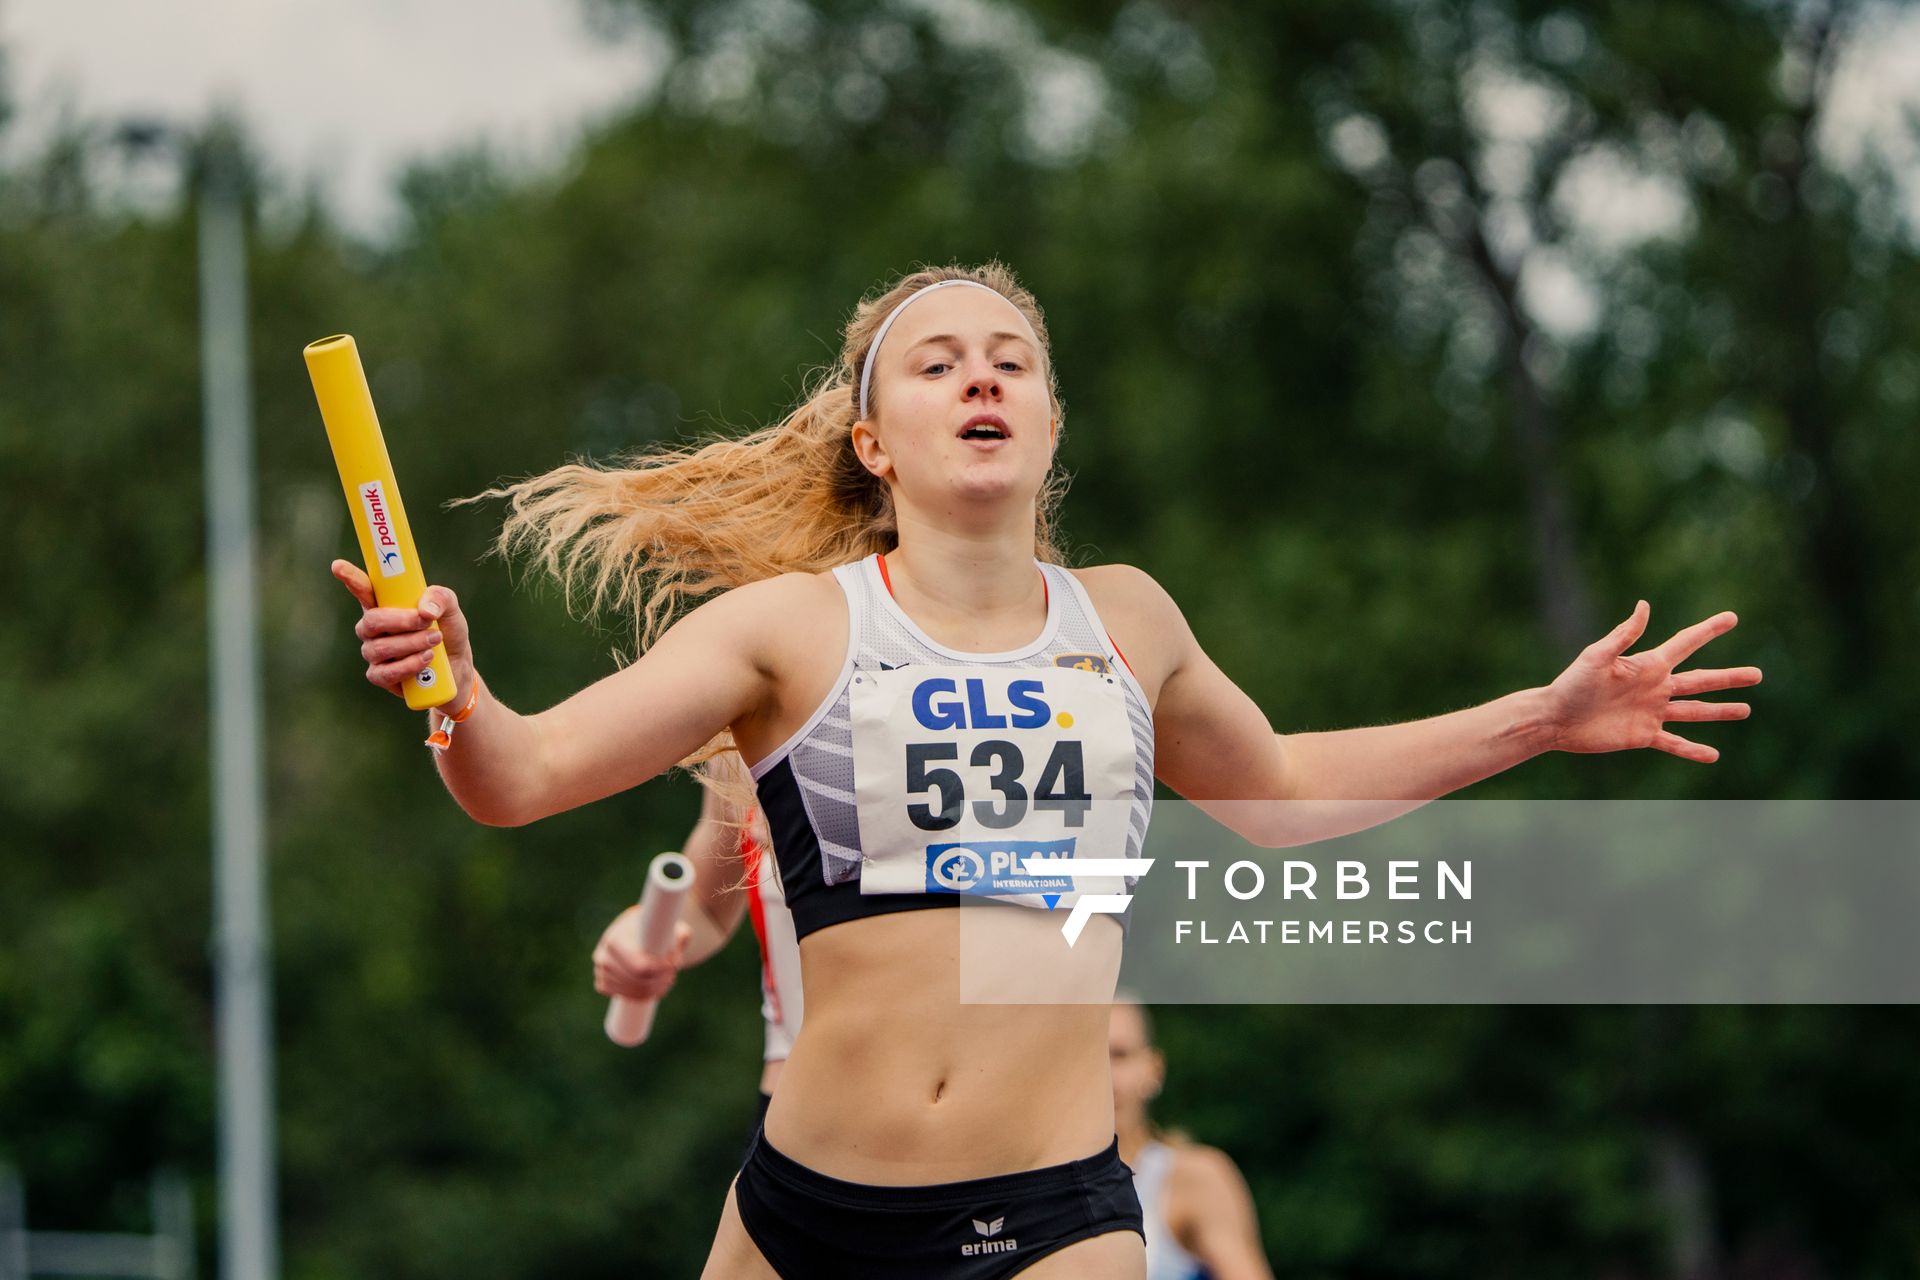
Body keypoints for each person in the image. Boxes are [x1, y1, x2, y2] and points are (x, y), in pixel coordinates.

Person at [328, 261, 1759, 1278]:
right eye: (939, 361)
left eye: (1012, 358)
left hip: (1058, 1220)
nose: (983, 376)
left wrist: (1539, 719)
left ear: (1051, 424)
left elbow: (1285, 799)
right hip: (806, 1219)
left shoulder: (1127, 624)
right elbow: (516, 777)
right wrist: (450, 687)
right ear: (876, 442)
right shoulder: (788, 632)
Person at [591, 751, 798, 1140]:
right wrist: (645, 932)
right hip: (795, 1110)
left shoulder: (945, 706)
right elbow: (707, 905)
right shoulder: (748, 724)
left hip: (942, 1117)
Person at [1110, 999, 1271, 1280]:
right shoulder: (1036, 1185)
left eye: (1120, 1055)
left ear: (1154, 1069)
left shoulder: (1193, 1177)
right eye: (1088, 1057)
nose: (1105, 1074)